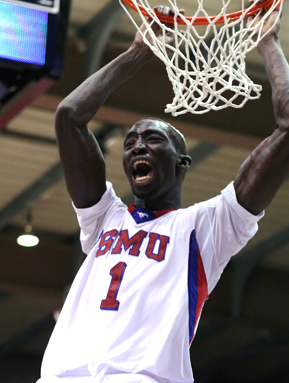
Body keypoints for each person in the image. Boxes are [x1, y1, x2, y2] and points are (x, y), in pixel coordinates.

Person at [37, 4, 289, 383]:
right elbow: (68, 116)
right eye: (131, 141)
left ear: (181, 163)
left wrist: (267, 41)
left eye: (153, 139)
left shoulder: (205, 228)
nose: (138, 146)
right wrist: (139, 51)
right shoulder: (104, 217)